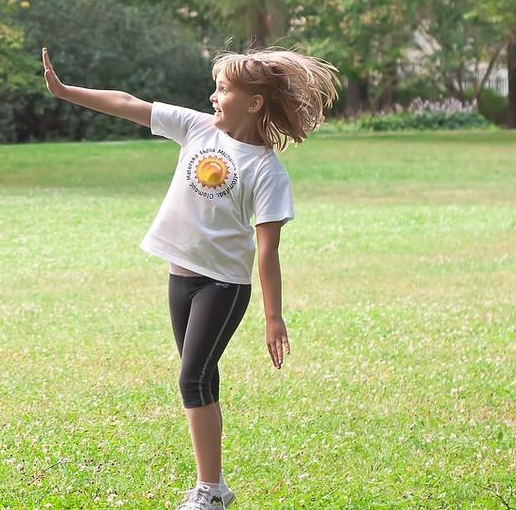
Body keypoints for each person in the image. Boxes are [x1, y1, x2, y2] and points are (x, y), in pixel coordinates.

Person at [41, 47, 338, 509]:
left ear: (254, 103)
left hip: (222, 286)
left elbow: (268, 250)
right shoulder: (197, 127)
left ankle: (208, 491)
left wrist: (273, 317)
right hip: (180, 278)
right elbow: (127, 102)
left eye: (223, 90)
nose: (214, 97)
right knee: (203, 379)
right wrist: (64, 91)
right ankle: (215, 486)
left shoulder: (266, 171)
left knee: (192, 379)